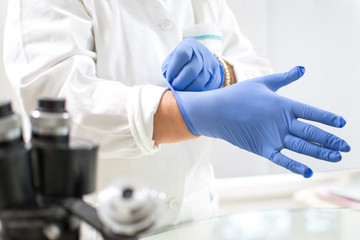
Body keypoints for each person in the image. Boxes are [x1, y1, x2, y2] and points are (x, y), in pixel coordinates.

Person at [3, 0, 350, 230]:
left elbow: (253, 69)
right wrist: (186, 114)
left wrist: (223, 74)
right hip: (97, 222)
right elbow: (60, 105)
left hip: (197, 220)